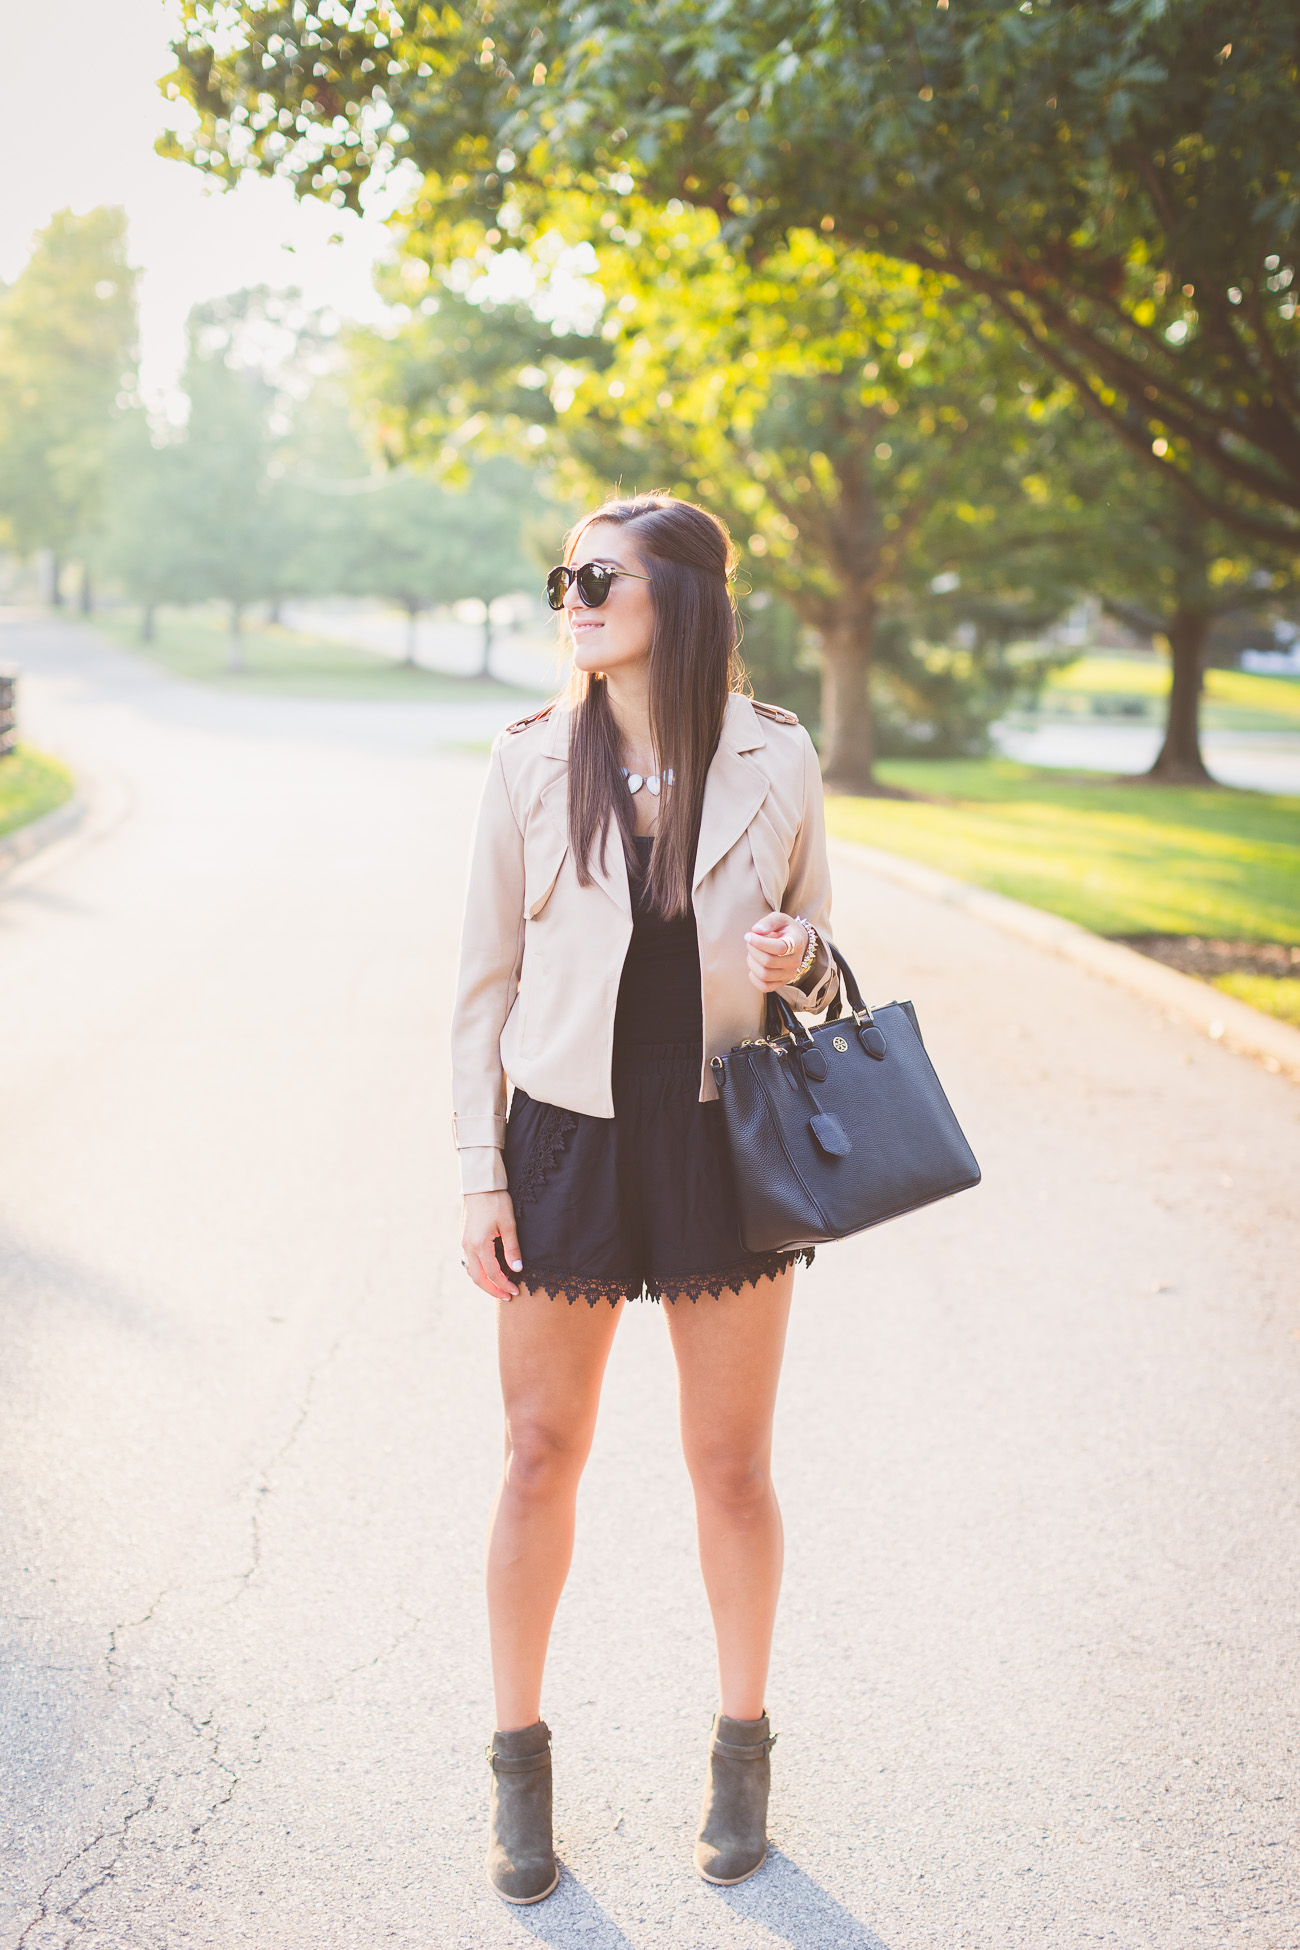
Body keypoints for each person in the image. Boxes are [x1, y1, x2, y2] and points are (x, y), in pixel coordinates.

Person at [452, 493, 837, 1903]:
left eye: (599, 574)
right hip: (561, 1145)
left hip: (720, 1143)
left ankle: (742, 1749)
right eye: (563, 572)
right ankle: (516, 1767)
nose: (573, 593)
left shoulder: (776, 759)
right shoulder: (527, 764)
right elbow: (479, 990)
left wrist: (800, 958)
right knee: (538, 1451)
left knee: (730, 1465)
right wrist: (481, 1172)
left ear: (679, 596)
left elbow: (830, 960)